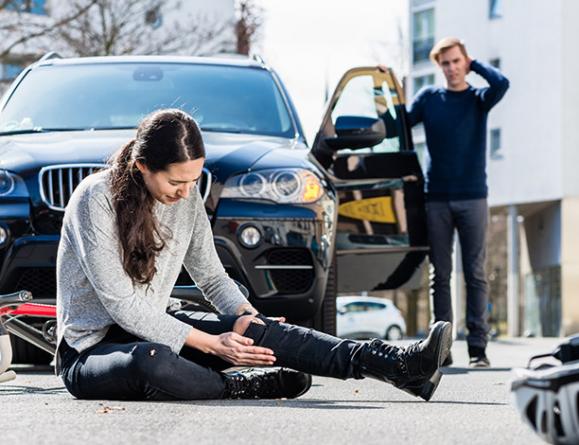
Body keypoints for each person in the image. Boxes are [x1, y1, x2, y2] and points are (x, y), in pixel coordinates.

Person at [55, 108, 452, 401]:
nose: (185, 191)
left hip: (157, 323)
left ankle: (398, 366)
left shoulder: (187, 197)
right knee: (150, 360)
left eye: (194, 180)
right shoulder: (96, 198)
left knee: (252, 328)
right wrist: (212, 345)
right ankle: (237, 385)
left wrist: (249, 318)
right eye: (176, 181)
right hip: (92, 351)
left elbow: (211, 277)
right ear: (142, 165)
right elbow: (122, 306)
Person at [402, 37, 509, 367]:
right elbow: (401, 121)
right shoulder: (430, 98)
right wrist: (387, 83)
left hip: (473, 196)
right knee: (441, 276)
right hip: (437, 198)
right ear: (439, 67)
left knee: (475, 274)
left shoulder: (479, 99)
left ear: (465, 62)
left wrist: (475, 64)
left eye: (456, 61)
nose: (451, 68)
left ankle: (478, 348)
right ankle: (442, 348)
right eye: (445, 63)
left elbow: (502, 82)